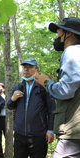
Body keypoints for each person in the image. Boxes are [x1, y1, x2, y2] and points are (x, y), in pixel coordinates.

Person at [34, 17, 80, 158]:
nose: (56, 37)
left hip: (73, 134)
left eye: (58, 32)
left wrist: (47, 83)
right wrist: (55, 85)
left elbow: (66, 91)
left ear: (68, 33)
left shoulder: (72, 52)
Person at [7, 58, 56, 158]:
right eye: (24, 67)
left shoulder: (44, 87)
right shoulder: (17, 87)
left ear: (37, 70)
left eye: (30, 67)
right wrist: (13, 98)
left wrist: (50, 130)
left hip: (39, 135)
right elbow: (9, 106)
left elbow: (52, 109)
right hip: (19, 134)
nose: (26, 69)